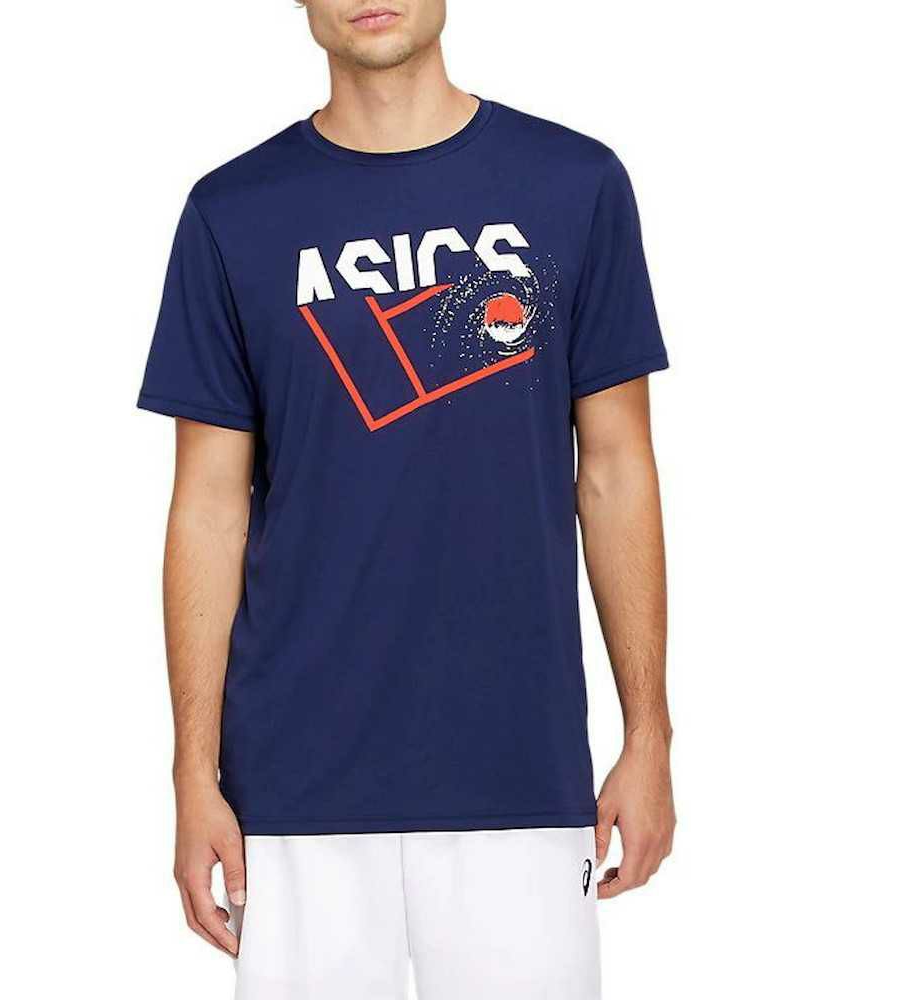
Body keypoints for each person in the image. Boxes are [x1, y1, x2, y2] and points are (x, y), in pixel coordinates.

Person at [138, 1, 675, 996]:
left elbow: (613, 470)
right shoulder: (233, 212)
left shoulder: (573, 184)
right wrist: (192, 774)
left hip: (518, 770)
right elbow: (208, 507)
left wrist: (649, 735)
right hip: (291, 790)